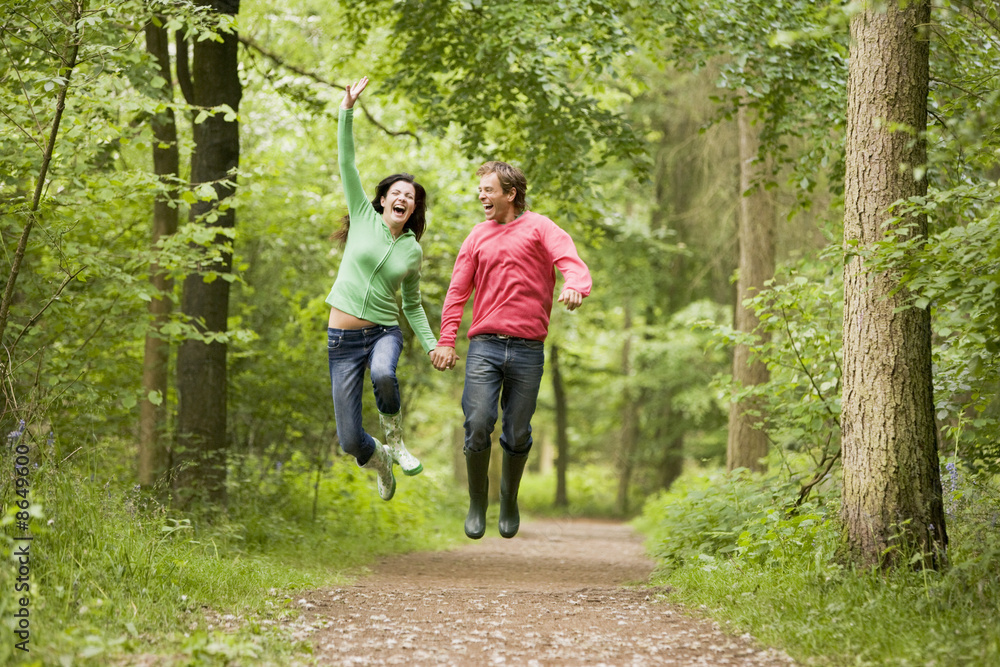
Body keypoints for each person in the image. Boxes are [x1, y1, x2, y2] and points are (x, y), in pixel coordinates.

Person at [430, 161, 592, 538]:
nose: (482, 195)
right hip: (484, 346)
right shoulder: (476, 236)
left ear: (510, 194)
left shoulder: (540, 228)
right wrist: (446, 339)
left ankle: (509, 497)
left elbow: (572, 263)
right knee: (478, 422)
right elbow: (457, 292)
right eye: (481, 190)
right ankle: (477, 502)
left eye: (489, 189)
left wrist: (574, 286)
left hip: (528, 349)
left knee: (517, 432)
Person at [327, 76, 437, 501]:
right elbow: (347, 162)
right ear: (383, 199)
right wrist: (347, 110)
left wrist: (430, 344)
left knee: (383, 373)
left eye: (410, 197)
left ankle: (398, 443)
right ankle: (380, 460)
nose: (403, 198)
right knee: (350, 441)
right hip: (341, 340)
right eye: (397, 192)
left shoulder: (412, 251)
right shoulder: (363, 216)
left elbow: (412, 304)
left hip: (383, 333)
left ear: (412, 209)